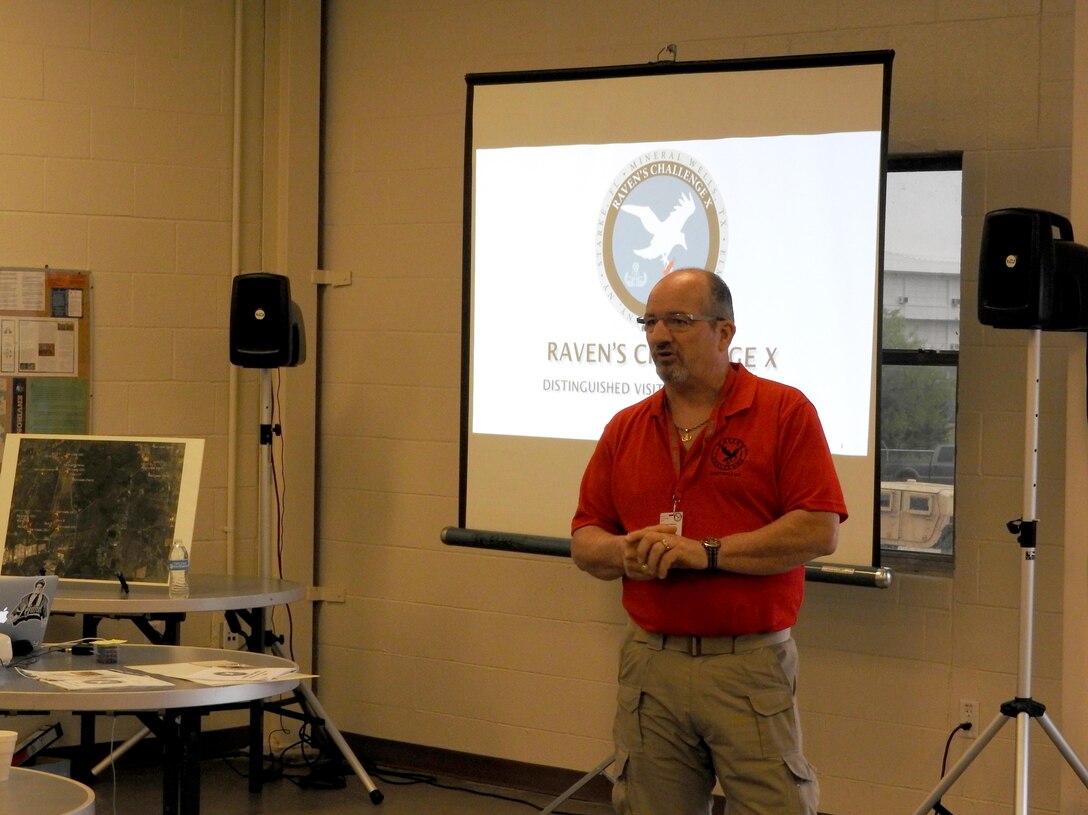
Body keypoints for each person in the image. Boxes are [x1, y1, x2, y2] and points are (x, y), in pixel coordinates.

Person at [571, 268, 847, 815]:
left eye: (678, 321)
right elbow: (585, 539)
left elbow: (820, 527)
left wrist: (708, 552)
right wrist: (624, 553)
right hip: (652, 666)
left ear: (725, 332)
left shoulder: (784, 412)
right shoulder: (626, 427)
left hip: (748, 666)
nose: (658, 336)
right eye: (650, 322)